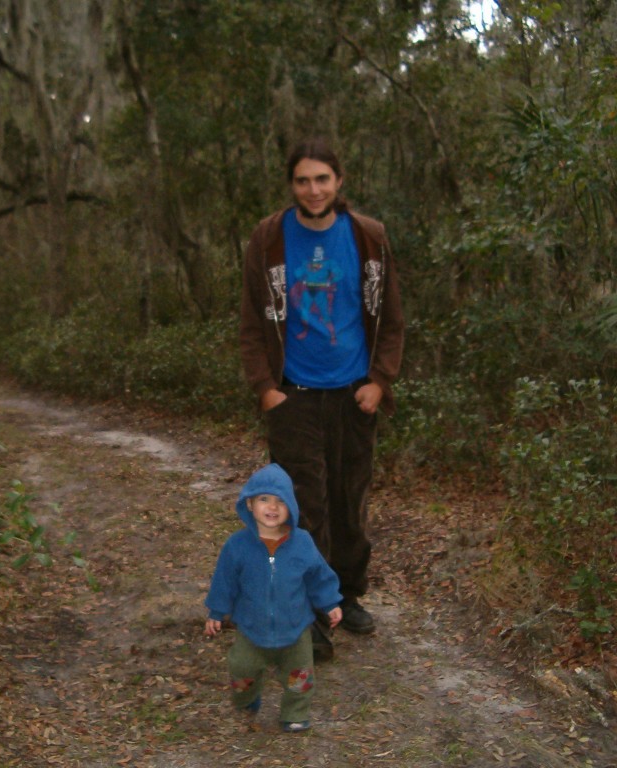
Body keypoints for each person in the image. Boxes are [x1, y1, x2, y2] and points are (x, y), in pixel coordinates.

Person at [239, 136, 405, 661]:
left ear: (339, 181)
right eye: (303, 180)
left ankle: (346, 596)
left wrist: (379, 380)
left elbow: (392, 319)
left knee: (348, 501)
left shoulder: (367, 238)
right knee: (300, 507)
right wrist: (267, 389)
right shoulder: (269, 240)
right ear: (292, 185)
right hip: (295, 396)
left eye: (322, 179)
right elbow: (250, 324)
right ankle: (306, 613)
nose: (313, 190)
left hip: (354, 395)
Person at [204, 463, 343, 733]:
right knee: (241, 669)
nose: (272, 506)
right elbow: (224, 581)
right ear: (250, 504)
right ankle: (247, 698)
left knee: (300, 676)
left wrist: (331, 602)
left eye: (281, 500)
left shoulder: (302, 543)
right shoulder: (237, 545)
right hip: (251, 630)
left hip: (295, 628)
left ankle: (295, 712)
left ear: (291, 506)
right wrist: (216, 612)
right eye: (264, 499)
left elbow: (318, 575)